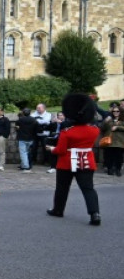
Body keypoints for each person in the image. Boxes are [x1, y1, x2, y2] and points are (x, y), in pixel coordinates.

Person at [46, 93, 102, 225]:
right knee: (88, 188)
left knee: (62, 188)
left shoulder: (67, 131)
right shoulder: (94, 130)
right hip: (86, 162)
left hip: (66, 163)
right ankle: (95, 214)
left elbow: (60, 150)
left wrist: (51, 149)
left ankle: (58, 210)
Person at [100, 105, 124, 176]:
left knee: (119, 157)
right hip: (109, 141)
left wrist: (118, 127)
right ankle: (109, 169)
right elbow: (102, 128)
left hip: (119, 141)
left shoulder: (122, 120)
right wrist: (105, 121)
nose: (115, 112)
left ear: (120, 112)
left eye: (117, 111)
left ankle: (118, 170)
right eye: (114, 111)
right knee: (109, 156)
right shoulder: (109, 119)